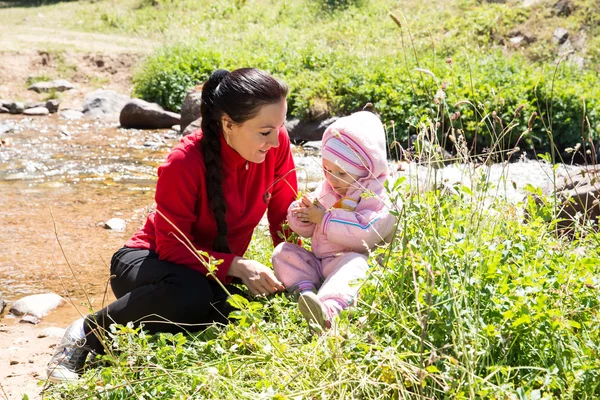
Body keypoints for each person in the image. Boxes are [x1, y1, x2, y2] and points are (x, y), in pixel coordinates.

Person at [46, 68, 298, 382]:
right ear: (228, 124)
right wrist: (237, 267)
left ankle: (130, 339)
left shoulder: (277, 143)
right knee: (189, 295)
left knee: (241, 314)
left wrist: (296, 275)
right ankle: (85, 334)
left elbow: (283, 215)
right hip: (148, 262)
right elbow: (171, 247)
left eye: (280, 126)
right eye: (264, 132)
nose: (276, 141)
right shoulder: (183, 162)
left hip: (206, 272)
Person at [272, 111, 396, 331]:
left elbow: (367, 231)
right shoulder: (330, 188)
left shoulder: (377, 195)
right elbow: (308, 230)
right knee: (283, 252)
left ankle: (328, 310)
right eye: (327, 170)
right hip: (321, 261)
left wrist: (324, 218)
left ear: (365, 169)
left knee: (356, 266)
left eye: (341, 173)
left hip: (349, 260)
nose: (332, 178)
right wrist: (302, 214)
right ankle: (306, 293)